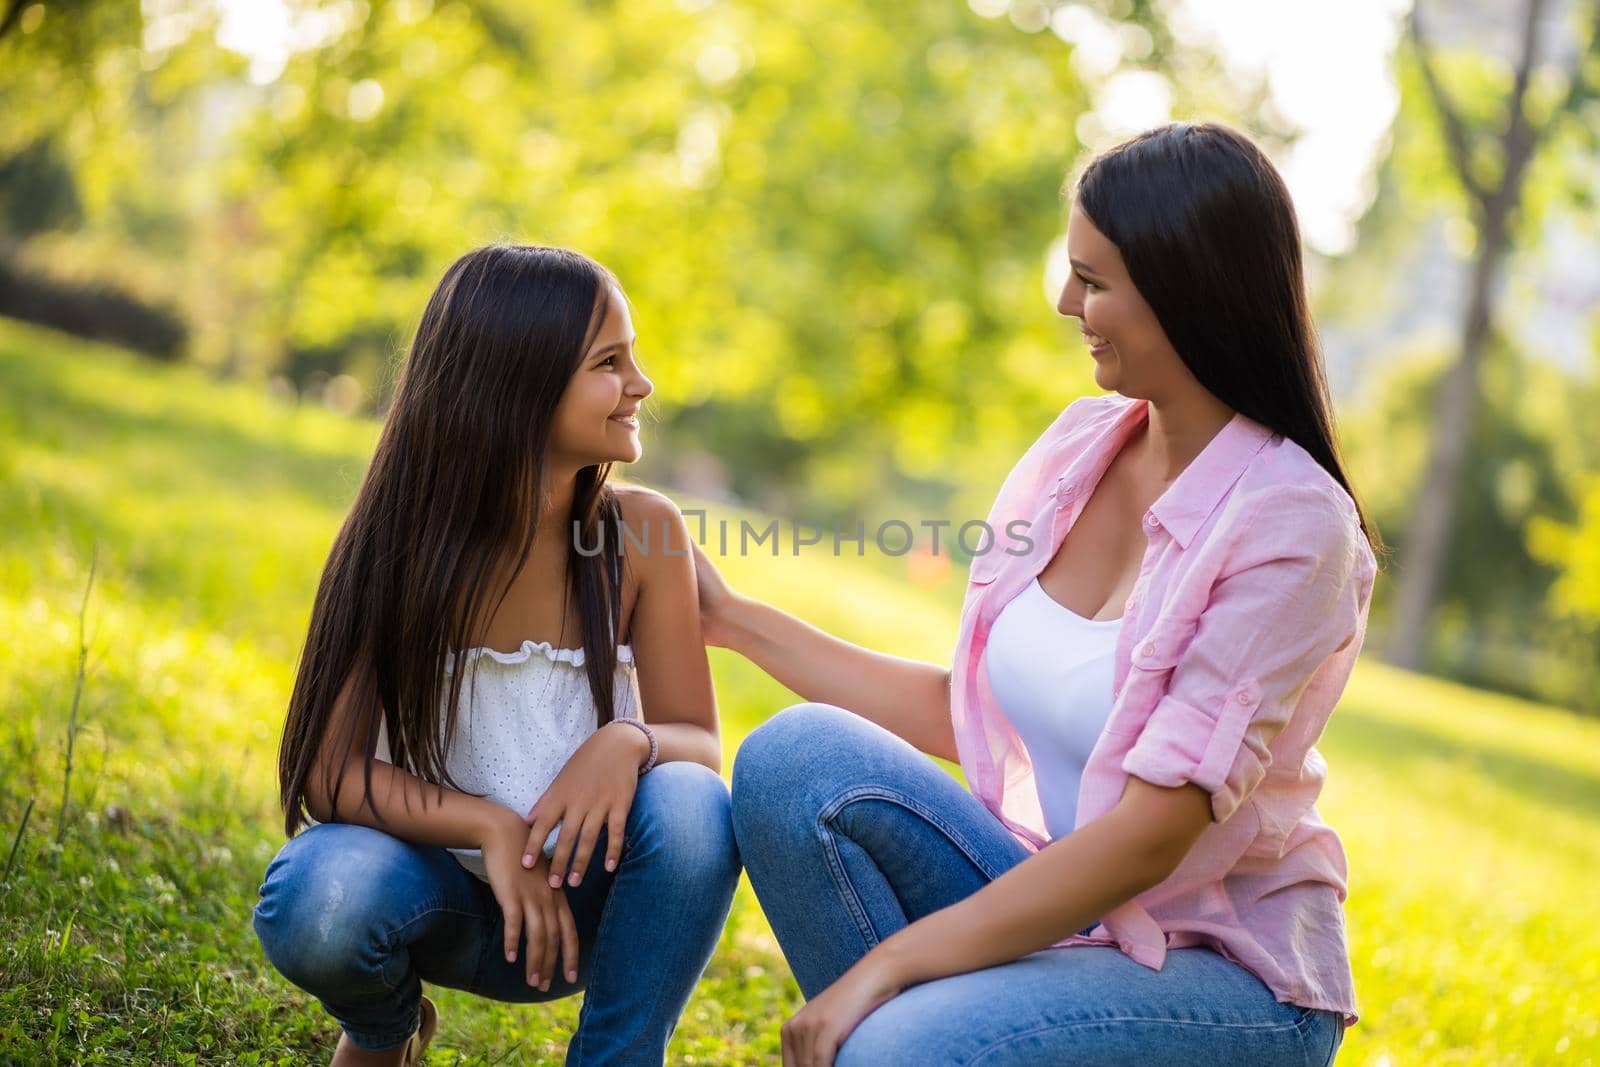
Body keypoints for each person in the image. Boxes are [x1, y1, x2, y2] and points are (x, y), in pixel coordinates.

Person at [692, 122, 1379, 1067]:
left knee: (898, 1045)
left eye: (1093, 280)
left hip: (1216, 970)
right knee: (789, 760)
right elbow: (964, 709)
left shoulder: (1296, 526)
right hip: (1063, 906)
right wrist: (730, 619)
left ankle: (894, 1041)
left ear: (1189, 290)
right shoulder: (1077, 449)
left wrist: (893, 961)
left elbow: (1148, 838)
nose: (1065, 302)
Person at [252, 244, 740, 1067]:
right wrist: (488, 824)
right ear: (520, 385)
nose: (641, 384)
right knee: (321, 896)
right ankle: (383, 1031)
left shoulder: (645, 534)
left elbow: (697, 740)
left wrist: (628, 741)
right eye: (609, 362)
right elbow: (328, 773)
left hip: (591, 908)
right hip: (434, 897)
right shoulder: (396, 544)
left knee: (692, 802)